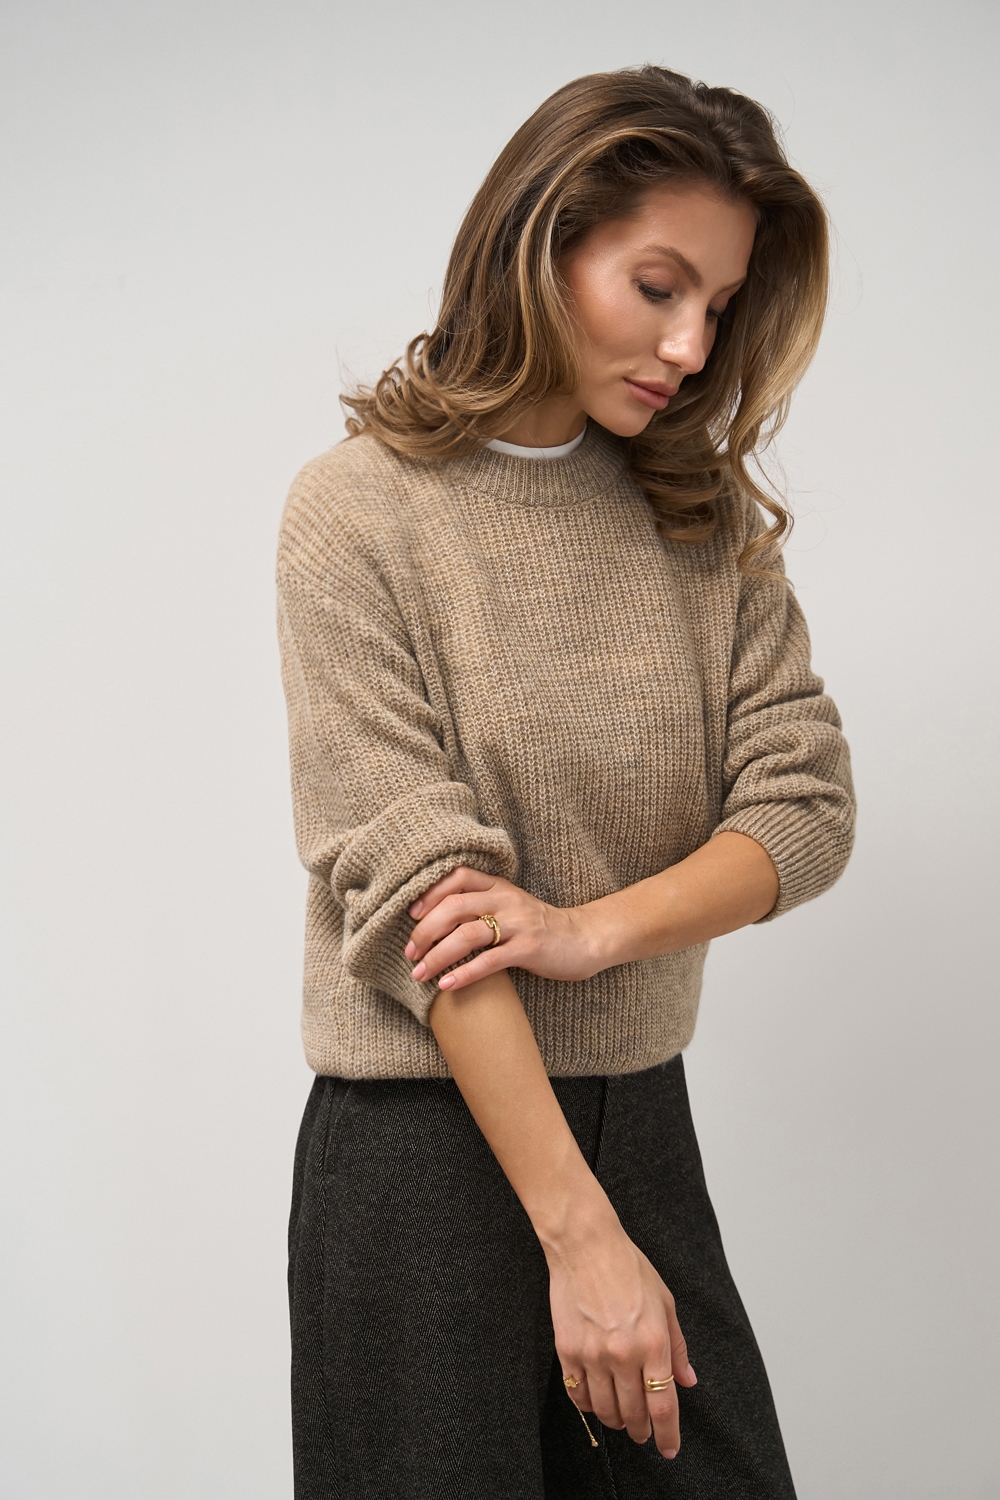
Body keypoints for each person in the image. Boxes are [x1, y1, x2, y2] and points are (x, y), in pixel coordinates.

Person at [276, 64, 855, 1500]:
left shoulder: (698, 520)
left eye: (719, 305)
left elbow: (803, 806)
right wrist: (579, 1236)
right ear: (542, 243)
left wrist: (590, 931)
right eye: (657, 286)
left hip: (640, 1119)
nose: (690, 344)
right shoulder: (358, 513)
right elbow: (422, 900)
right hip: (421, 1155)